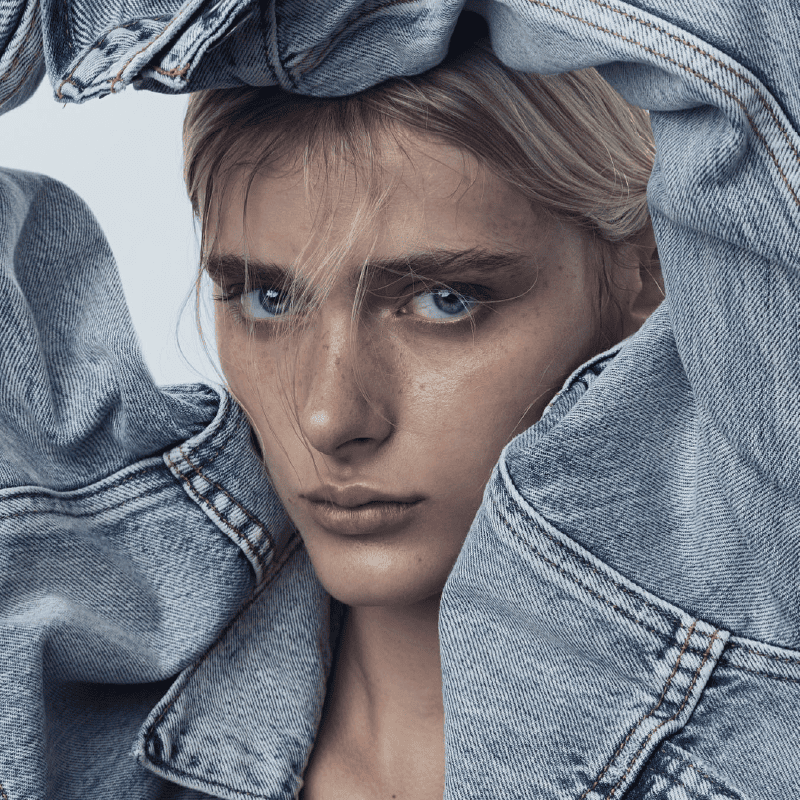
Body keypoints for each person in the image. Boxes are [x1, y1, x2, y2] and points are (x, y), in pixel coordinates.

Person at [1, 3, 798, 800]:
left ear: (648, 274)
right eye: (268, 299)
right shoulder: (72, 662)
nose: (329, 419)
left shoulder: (767, 642)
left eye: (444, 301)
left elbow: (749, 51)